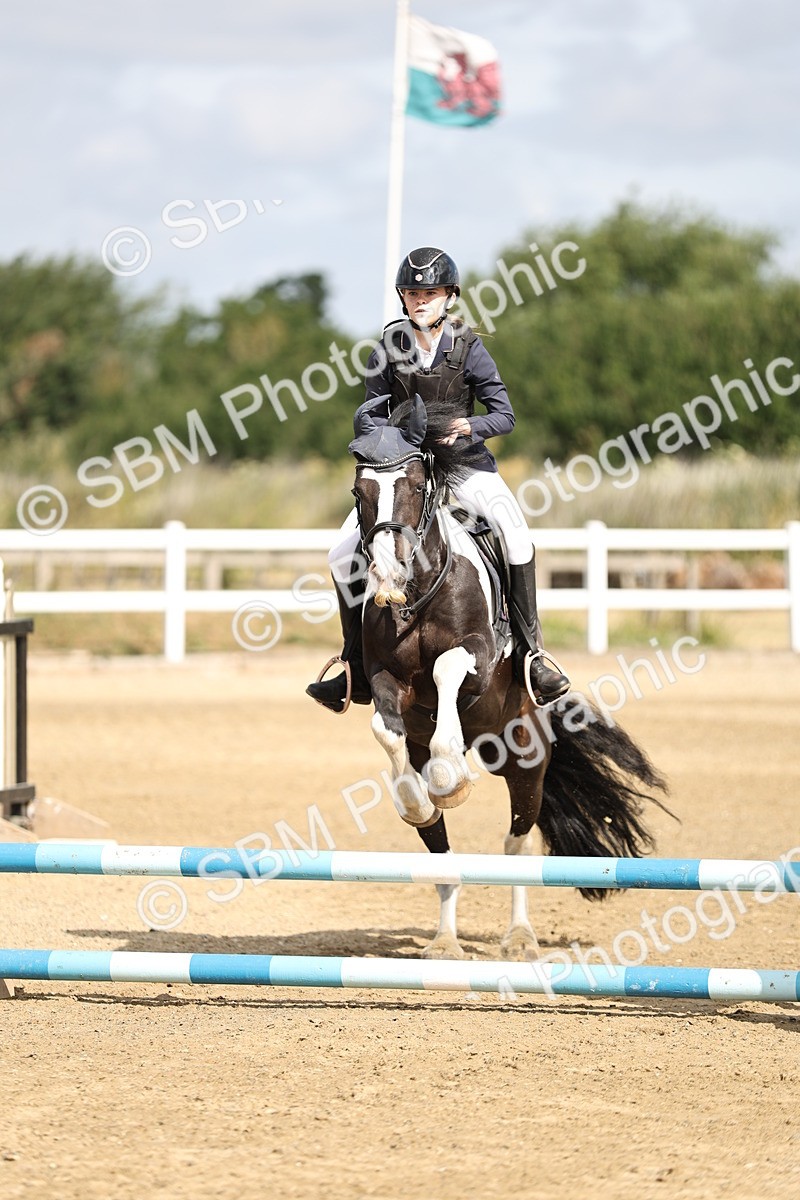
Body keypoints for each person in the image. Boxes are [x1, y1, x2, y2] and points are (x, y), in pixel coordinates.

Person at [306, 246, 570, 713]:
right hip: (405, 472)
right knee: (340, 550)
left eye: (429, 292)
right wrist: (377, 436)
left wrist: (470, 426)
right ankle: (354, 666)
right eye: (411, 293)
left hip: (466, 465)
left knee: (516, 535)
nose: (419, 300)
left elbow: (504, 415)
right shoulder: (387, 349)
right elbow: (372, 412)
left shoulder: (469, 347)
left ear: (448, 296)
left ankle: (532, 655)